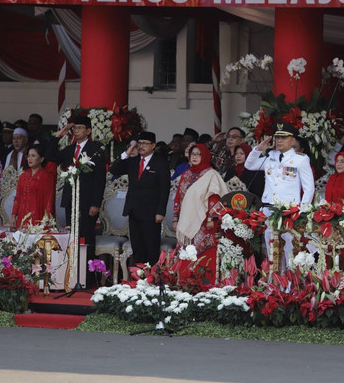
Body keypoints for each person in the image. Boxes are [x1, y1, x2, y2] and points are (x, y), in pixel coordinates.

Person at [245, 122, 315, 268]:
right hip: (269, 208)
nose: (279, 141)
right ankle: (275, 282)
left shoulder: (300, 159)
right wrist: (258, 149)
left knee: (290, 247)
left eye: (283, 137)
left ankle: (290, 284)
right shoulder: (271, 156)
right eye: (277, 137)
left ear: (293, 140)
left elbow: (309, 188)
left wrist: (301, 210)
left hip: (288, 210)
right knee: (272, 247)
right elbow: (249, 165)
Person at [46, 116, 106, 265]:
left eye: (79, 128)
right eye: (74, 128)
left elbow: (100, 180)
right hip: (70, 199)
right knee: (71, 236)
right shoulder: (70, 149)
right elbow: (49, 155)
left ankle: (88, 272)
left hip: (87, 202)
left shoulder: (95, 150)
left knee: (86, 237)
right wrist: (58, 136)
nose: (76, 131)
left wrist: (95, 204)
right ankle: (72, 271)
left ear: (88, 131)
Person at [110, 131, 170, 266]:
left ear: (153, 145)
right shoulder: (133, 160)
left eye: (145, 143)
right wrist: (128, 151)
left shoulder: (160, 162)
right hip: (134, 209)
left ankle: (152, 278)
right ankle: (138, 277)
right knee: (137, 246)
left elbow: (164, 189)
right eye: (139, 143)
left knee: (151, 246)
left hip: (151, 211)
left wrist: (160, 211)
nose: (141, 146)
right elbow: (114, 169)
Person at [174, 144, 228, 281]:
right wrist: (175, 218)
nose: (195, 157)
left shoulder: (211, 175)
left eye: (198, 154)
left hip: (205, 223)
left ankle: (204, 284)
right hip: (186, 220)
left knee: (203, 253)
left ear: (204, 156)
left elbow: (215, 197)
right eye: (192, 154)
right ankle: (185, 281)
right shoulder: (186, 175)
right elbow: (178, 198)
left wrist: (211, 218)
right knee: (186, 252)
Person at [11, 144, 55, 228]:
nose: (29, 159)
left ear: (41, 159)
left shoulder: (46, 176)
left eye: (33, 156)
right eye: (28, 156)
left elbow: (49, 200)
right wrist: (13, 216)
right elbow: (17, 198)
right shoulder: (23, 176)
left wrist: (46, 221)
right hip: (22, 216)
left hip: (38, 216)